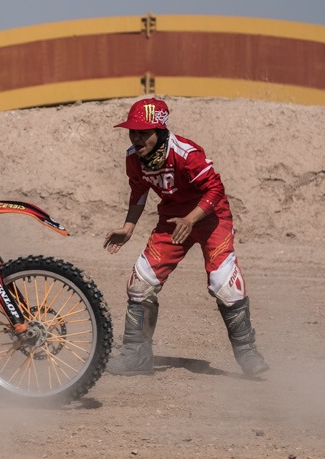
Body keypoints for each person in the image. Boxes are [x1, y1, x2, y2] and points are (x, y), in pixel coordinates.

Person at [103, 98, 268, 377]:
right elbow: (139, 190)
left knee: (224, 284)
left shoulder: (186, 153)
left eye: (143, 132)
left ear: (160, 131)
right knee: (141, 282)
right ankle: (136, 356)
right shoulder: (133, 158)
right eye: (133, 132)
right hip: (172, 221)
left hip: (211, 218)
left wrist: (191, 220)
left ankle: (247, 353)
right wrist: (128, 227)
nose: (136, 138)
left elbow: (215, 190)